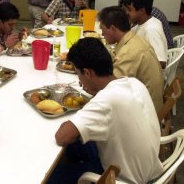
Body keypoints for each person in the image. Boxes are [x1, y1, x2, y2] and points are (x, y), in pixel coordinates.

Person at [49, 38, 163, 184]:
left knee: (54, 175)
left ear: (88, 73)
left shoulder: (105, 101)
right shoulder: (134, 82)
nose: (80, 81)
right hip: (149, 169)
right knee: (77, 144)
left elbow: (62, 137)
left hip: (122, 179)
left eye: (78, 74)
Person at [99, 6, 164, 112]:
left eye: (102, 29)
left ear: (112, 28)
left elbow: (110, 90)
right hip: (149, 103)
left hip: (145, 114)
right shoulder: (135, 40)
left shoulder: (128, 53)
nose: (102, 34)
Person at [122, 0, 167, 68]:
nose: (126, 13)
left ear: (142, 10)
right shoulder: (141, 24)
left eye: (129, 9)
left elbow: (161, 63)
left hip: (147, 77)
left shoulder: (151, 30)